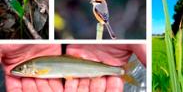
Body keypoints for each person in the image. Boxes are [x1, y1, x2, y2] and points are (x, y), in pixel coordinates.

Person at [0, 44, 146, 92]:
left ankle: (120, 71)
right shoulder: (35, 67)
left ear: (29, 69)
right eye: (19, 70)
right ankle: (120, 71)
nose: (17, 72)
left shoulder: (36, 69)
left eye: (19, 70)